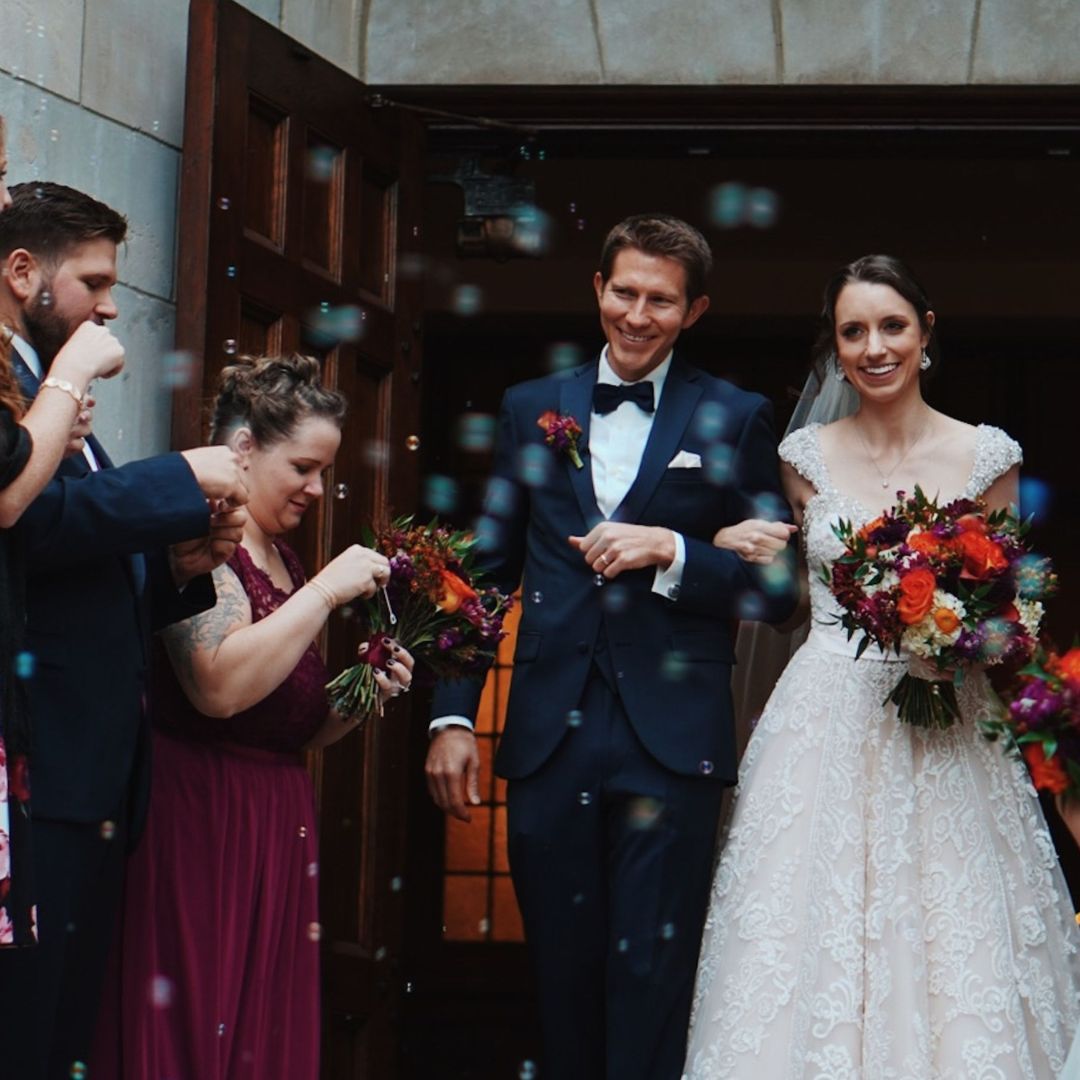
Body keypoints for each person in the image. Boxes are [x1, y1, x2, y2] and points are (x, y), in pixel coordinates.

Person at [684, 254, 1080, 1077]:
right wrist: (725, 546)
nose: (874, 347)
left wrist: (962, 636)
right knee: (807, 938)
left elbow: (1011, 616)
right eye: (853, 331)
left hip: (952, 720)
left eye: (892, 325)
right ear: (834, 348)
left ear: (926, 333)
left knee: (953, 936)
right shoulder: (803, 457)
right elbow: (783, 597)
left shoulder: (986, 457)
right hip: (826, 714)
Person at [426, 214, 798, 1079]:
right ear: (597, 288)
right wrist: (450, 716)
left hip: (670, 741)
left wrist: (675, 552)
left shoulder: (736, 416)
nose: (637, 314)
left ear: (694, 309)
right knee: (561, 973)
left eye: (660, 300)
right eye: (624, 292)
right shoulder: (531, 408)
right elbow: (482, 575)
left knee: (651, 973)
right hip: (549, 739)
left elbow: (777, 595)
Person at [91, 353, 413, 1080]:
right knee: (195, 1016)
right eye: (302, 466)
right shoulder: (204, 537)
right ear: (243, 449)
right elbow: (217, 688)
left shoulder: (286, 562)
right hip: (198, 816)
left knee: (257, 1031)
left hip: (274, 817)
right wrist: (327, 593)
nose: (317, 487)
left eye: (323, 469)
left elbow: (287, 720)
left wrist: (360, 692)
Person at [0, 180, 249, 1080]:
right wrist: (176, 479)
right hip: (40, 775)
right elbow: (30, 525)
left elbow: (77, 569)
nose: (110, 304)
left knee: (64, 1033)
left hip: (96, 779)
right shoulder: (22, 395)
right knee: (26, 1033)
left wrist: (176, 570)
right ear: (24, 272)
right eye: (95, 281)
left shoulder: (53, 395)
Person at [0, 118, 128, 949]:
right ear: (23, 274)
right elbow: (15, 500)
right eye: (95, 281)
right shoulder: (46, 380)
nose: (3, 196)